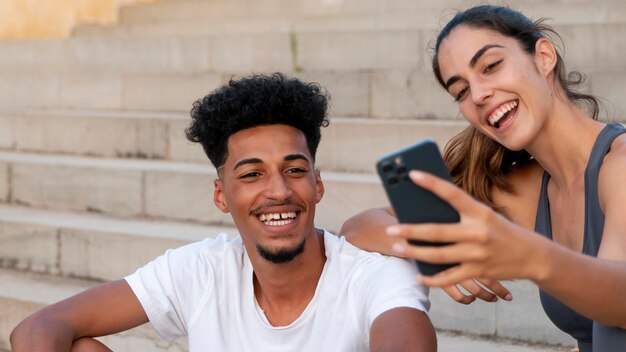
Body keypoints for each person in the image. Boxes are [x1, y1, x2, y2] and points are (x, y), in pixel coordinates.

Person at [10, 73, 436, 352]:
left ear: (317, 184)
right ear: (221, 196)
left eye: (294, 169)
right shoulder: (201, 269)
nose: (279, 191)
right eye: (252, 175)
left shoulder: (374, 276)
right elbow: (37, 328)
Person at [341, 5, 626, 352]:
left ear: (544, 56)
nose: (477, 96)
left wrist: (534, 258)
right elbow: (358, 228)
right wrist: (435, 247)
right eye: (460, 91)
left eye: (490, 66)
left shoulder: (620, 164)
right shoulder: (528, 190)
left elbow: (620, 301)